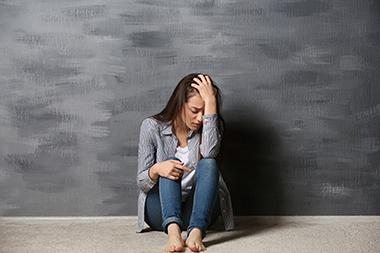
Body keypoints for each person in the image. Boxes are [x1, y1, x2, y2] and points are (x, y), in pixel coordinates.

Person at [136, 73, 234, 252]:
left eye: (205, 111)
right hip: (160, 211)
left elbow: (210, 153)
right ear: (179, 104)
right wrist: (157, 169)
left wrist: (211, 101)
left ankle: (196, 233)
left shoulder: (209, 125)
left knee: (209, 163)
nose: (200, 118)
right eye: (195, 110)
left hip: (199, 212)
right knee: (170, 163)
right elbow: (142, 183)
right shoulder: (151, 127)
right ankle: (174, 232)